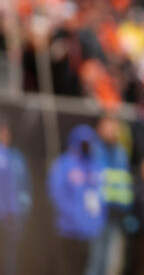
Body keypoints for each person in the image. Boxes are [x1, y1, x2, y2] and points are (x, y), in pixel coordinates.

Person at [48, 124, 106, 275]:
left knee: (86, 268)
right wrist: (73, 217)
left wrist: (96, 222)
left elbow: (101, 197)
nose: (87, 147)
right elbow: (56, 193)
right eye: (84, 143)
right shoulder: (64, 164)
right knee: (67, 268)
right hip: (68, 230)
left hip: (90, 231)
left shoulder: (95, 166)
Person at [89, 115, 133, 275]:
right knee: (96, 259)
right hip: (97, 213)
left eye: (114, 127)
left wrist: (127, 207)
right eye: (108, 127)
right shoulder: (93, 150)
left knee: (110, 260)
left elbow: (124, 181)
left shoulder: (121, 153)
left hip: (116, 212)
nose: (112, 131)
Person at [0, 116, 31, 275]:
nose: (3, 134)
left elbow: (24, 189)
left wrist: (21, 213)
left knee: (10, 260)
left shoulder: (17, 158)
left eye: (5, 130)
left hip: (12, 219)